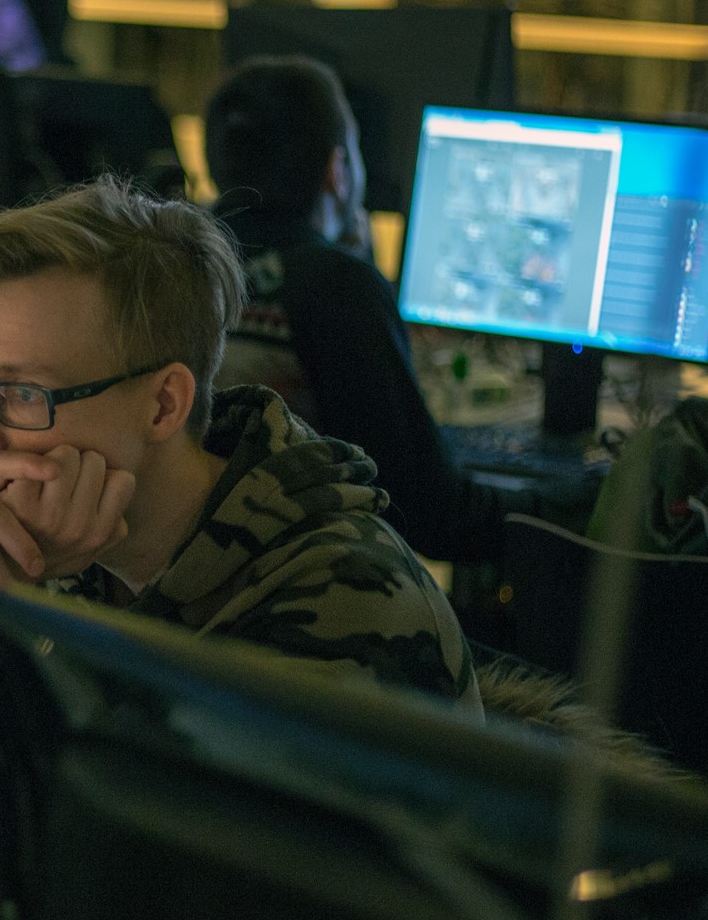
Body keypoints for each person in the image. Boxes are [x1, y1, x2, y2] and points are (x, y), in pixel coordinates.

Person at [0, 178, 481, 866]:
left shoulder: (339, 596)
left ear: (163, 404)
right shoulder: (43, 535)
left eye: (23, 394)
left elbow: (78, 897)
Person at [205, 55, 532, 564]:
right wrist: (570, 506)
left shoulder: (177, 265)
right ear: (337, 173)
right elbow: (434, 517)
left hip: (192, 584)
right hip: (296, 588)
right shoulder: (333, 287)